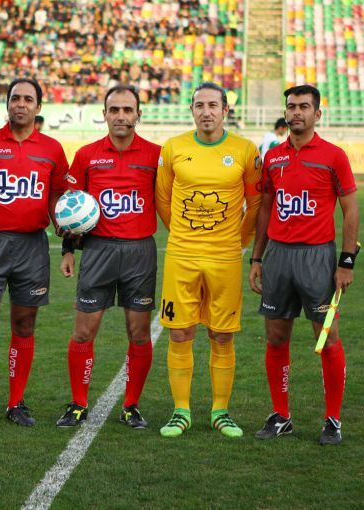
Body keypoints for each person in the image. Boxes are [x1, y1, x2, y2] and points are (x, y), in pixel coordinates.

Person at [248, 84, 359, 446]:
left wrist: (346, 263)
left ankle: (333, 419)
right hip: (278, 256)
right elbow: (265, 208)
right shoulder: (273, 157)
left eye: (304, 107)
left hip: (317, 257)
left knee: (327, 338)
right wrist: (257, 258)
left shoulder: (334, 156)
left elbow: (350, 210)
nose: (296, 112)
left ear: (317, 114)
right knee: (276, 336)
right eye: (292, 106)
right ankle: (281, 416)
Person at [0, 77, 68, 429]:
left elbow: (56, 197)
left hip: (32, 246)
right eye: (15, 98)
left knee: (24, 324)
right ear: (7, 104)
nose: (21, 104)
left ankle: (15, 403)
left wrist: (63, 226)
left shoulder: (52, 149)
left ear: (38, 107)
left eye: (28, 99)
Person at [156, 82, 262, 439]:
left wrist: (238, 241)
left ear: (225, 110)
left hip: (225, 257)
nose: (206, 112)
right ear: (191, 110)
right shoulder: (174, 147)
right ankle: (181, 411)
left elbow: (256, 204)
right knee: (180, 332)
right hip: (182, 255)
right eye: (199, 105)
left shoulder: (245, 150)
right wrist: (182, 234)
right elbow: (163, 199)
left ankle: (220, 411)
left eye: (213, 105)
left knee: (222, 334)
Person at [54, 85, 162, 429]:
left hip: (140, 253)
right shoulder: (87, 155)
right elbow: (69, 208)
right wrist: (68, 250)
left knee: (139, 333)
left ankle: (131, 405)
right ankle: (78, 404)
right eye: (114, 110)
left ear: (138, 115)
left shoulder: (157, 155)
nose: (121, 116)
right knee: (84, 331)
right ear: (104, 114)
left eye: (127, 110)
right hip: (98, 251)